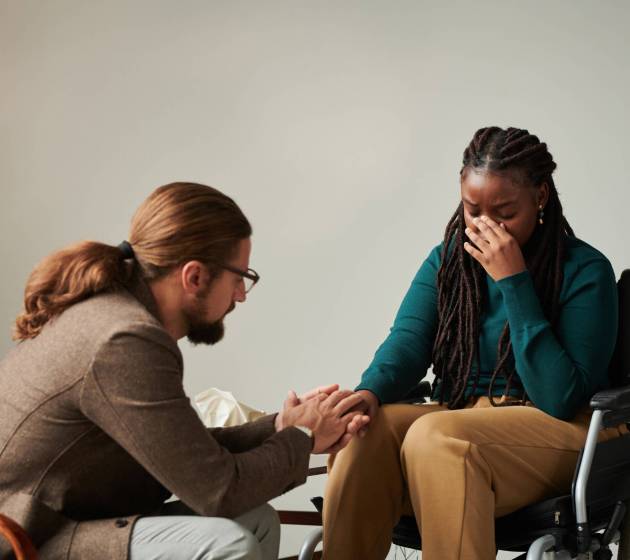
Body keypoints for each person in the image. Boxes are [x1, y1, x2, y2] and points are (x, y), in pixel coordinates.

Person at [0, 182, 369, 560]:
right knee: (230, 542)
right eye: (239, 277)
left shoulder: (118, 318)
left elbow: (187, 453)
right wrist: (304, 436)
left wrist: (281, 426)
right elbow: (217, 491)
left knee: (256, 521)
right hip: (27, 540)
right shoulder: (124, 339)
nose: (241, 294)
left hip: (66, 522)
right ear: (194, 277)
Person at [322, 126, 625, 559]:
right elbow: (407, 342)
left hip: (560, 429)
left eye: (504, 212)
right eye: (473, 209)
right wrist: (368, 393)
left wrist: (515, 282)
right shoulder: (447, 262)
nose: (486, 225)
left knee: (436, 435)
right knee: (364, 434)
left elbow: (560, 397)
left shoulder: (584, 270)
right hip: (461, 414)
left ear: (540, 198)